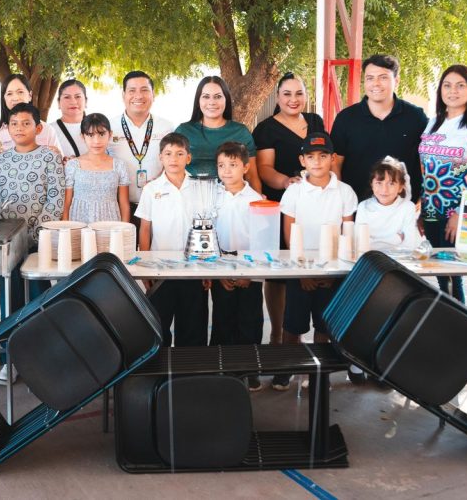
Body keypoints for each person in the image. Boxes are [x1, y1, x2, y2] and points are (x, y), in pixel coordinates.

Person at [0, 102, 66, 380]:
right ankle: (11, 358)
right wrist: (6, 232)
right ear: (7, 128)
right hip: (6, 242)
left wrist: (34, 232)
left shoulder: (50, 157)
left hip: (37, 241)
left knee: (39, 299)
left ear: (38, 128)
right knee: (10, 299)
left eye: (26, 123)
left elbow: (55, 198)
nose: (19, 128)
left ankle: (41, 360)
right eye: (14, 123)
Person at [279, 132, 357, 389]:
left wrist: (333, 273)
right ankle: (287, 368)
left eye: (323, 156)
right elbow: (289, 234)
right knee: (293, 325)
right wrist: (302, 272)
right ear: (302, 161)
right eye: (310, 157)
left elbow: (348, 233)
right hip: (299, 268)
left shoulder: (345, 192)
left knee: (324, 326)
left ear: (332, 158)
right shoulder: (294, 191)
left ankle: (318, 372)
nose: (317, 161)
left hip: (332, 270)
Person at [252, 72, 325, 345]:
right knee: (279, 274)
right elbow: (264, 168)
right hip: (280, 206)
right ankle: (277, 333)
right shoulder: (266, 129)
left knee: (312, 263)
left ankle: (304, 332)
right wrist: (286, 182)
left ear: (306, 95)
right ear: (278, 97)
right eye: (287, 94)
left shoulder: (315, 122)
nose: (293, 99)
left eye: (298, 93)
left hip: (314, 205)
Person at [418, 64, 467, 303]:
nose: (453, 91)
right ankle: (446, 320)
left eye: (460, 85)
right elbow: (427, 169)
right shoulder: (434, 122)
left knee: (455, 275)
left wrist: (460, 215)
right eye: (447, 85)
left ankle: (460, 323)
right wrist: (422, 208)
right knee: (440, 273)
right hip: (432, 208)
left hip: (463, 211)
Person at [136, 133, 207, 347]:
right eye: (168, 154)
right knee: (158, 327)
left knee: (193, 328)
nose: (173, 159)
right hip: (160, 271)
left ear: (188, 158)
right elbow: (145, 229)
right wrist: (145, 267)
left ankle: (190, 367)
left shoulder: (200, 187)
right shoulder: (151, 189)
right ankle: (160, 367)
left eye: (179, 153)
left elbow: (207, 226)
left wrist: (207, 266)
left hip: (193, 268)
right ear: (160, 158)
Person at [330, 54, 428, 203]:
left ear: (396, 81)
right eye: (370, 78)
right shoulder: (346, 118)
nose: (375, 84)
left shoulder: (416, 117)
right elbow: (335, 163)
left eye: (383, 77)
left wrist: (422, 198)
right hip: (356, 206)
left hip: (403, 208)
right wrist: (341, 200)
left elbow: (426, 162)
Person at [209, 142, 265, 391]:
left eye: (232, 165)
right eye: (221, 165)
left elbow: (260, 240)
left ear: (246, 167)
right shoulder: (212, 196)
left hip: (249, 271)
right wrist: (219, 272)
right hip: (221, 268)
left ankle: (249, 370)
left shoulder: (255, 200)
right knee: (223, 318)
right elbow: (209, 234)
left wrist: (249, 273)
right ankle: (223, 368)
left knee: (249, 321)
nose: (226, 170)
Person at [174, 76, 262, 194]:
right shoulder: (183, 131)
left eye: (218, 96)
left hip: (231, 199)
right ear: (198, 101)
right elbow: (170, 171)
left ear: (226, 100)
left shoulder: (241, 132)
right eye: (206, 96)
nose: (212, 102)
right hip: (190, 198)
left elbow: (251, 176)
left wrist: (257, 201)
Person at [108, 71, 176, 222]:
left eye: (144, 90)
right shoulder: (109, 128)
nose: (138, 96)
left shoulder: (167, 127)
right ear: (123, 95)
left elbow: (175, 162)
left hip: (159, 203)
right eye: (132, 90)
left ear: (153, 94)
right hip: (119, 207)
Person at [62, 113, 131, 223]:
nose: (97, 141)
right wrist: (65, 228)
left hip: (110, 225)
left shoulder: (119, 166)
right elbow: (66, 204)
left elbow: (124, 204)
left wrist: (124, 229)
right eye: (90, 135)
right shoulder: (72, 165)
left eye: (102, 134)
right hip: (78, 224)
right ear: (82, 136)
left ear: (110, 134)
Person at [0, 73, 63, 158]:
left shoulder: (47, 131)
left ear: (30, 95)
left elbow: (59, 161)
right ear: (4, 98)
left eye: (20, 92)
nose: (15, 98)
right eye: (9, 93)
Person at [355, 157, 422, 250]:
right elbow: (360, 243)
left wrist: (376, 243)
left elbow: (409, 245)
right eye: (379, 183)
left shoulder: (407, 207)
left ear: (400, 187)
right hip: (371, 257)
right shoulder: (363, 207)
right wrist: (397, 239)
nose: (384, 190)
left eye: (391, 183)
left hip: (401, 258)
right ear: (372, 185)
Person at [53, 79, 88, 161]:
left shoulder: (99, 128)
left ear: (86, 101)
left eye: (78, 96)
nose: (73, 101)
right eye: (67, 97)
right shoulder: (50, 130)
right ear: (58, 102)